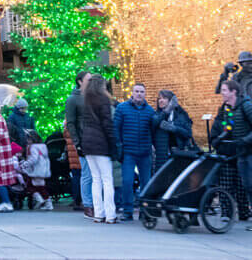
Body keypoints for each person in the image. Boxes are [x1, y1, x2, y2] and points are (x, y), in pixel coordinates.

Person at [80, 73, 117, 224]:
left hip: (88, 143)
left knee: (96, 179)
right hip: (100, 143)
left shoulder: (85, 100)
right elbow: (107, 124)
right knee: (107, 179)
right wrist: (113, 144)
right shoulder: (103, 100)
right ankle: (110, 214)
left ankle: (98, 213)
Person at [114, 83, 154, 221]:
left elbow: (154, 131)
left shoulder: (150, 111)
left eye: (142, 91)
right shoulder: (122, 108)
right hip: (128, 152)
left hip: (145, 153)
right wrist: (119, 146)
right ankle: (127, 211)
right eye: (136, 91)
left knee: (146, 183)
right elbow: (116, 129)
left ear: (145, 94)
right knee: (127, 181)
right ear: (132, 93)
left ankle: (145, 211)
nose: (139, 94)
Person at [66, 72, 94, 218]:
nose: (91, 82)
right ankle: (87, 205)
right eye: (88, 80)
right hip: (83, 140)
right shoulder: (73, 99)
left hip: (95, 139)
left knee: (96, 174)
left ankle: (95, 203)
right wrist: (77, 143)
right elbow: (71, 123)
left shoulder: (93, 96)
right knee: (87, 174)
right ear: (79, 81)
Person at [152, 90, 194, 165]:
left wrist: (174, 128)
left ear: (171, 101)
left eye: (164, 98)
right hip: (162, 156)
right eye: (159, 98)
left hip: (180, 153)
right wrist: (166, 111)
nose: (160, 101)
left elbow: (188, 133)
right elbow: (154, 123)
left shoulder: (181, 115)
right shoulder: (156, 115)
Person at [18, 129, 52, 209]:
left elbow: (34, 159)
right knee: (40, 187)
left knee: (32, 186)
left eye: (28, 139)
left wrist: (25, 164)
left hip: (35, 170)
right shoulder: (43, 146)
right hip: (43, 170)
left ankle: (42, 201)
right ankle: (45, 202)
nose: (27, 141)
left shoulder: (33, 147)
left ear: (31, 139)